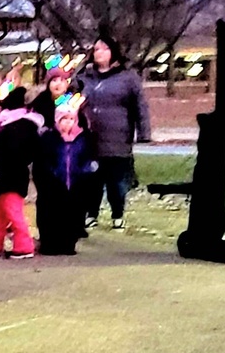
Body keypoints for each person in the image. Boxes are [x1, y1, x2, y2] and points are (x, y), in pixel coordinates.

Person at [80, 34, 151, 229]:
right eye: (96, 49)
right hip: (90, 139)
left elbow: (140, 106)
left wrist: (144, 132)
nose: (99, 53)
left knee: (116, 182)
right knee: (92, 180)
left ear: (113, 52)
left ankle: (117, 213)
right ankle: (91, 213)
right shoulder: (84, 78)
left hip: (118, 139)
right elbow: (68, 100)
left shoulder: (128, 78)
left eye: (103, 49)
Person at [33, 98, 98, 255]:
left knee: (73, 215)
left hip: (76, 184)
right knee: (50, 215)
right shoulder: (49, 138)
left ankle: (68, 243)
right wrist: (49, 175)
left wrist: (86, 171)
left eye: (71, 119)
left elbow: (90, 158)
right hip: (53, 185)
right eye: (64, 119)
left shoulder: (84, 138)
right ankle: (49, 243)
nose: (68, 123)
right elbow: (41, 161)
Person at [0, 87, 40, 259]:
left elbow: (11, 152)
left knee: (13, 213)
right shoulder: (21, 126)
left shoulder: (17, 128)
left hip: (9, 175)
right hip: (7, 175)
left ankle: (24, 246)